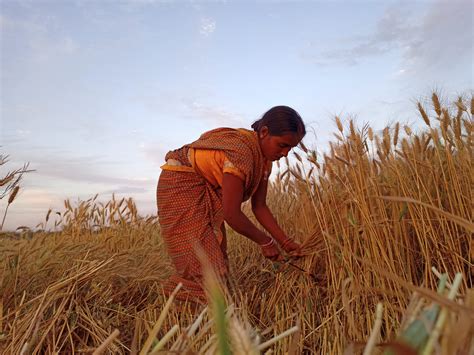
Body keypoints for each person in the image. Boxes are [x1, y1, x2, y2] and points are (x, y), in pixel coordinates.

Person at [156, 105, 306, 302]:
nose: (286, 153)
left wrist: (285, 242)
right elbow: (231, 213)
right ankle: (178, 313)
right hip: (180, 185)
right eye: (282, 145)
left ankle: (199, 317)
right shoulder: (242, 154)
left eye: (291, 148)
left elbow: (259, 206)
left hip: (203, 189)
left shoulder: (264, 161)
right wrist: (265, 241)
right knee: (204, 267)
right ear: (264, 132)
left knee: (215, 261)